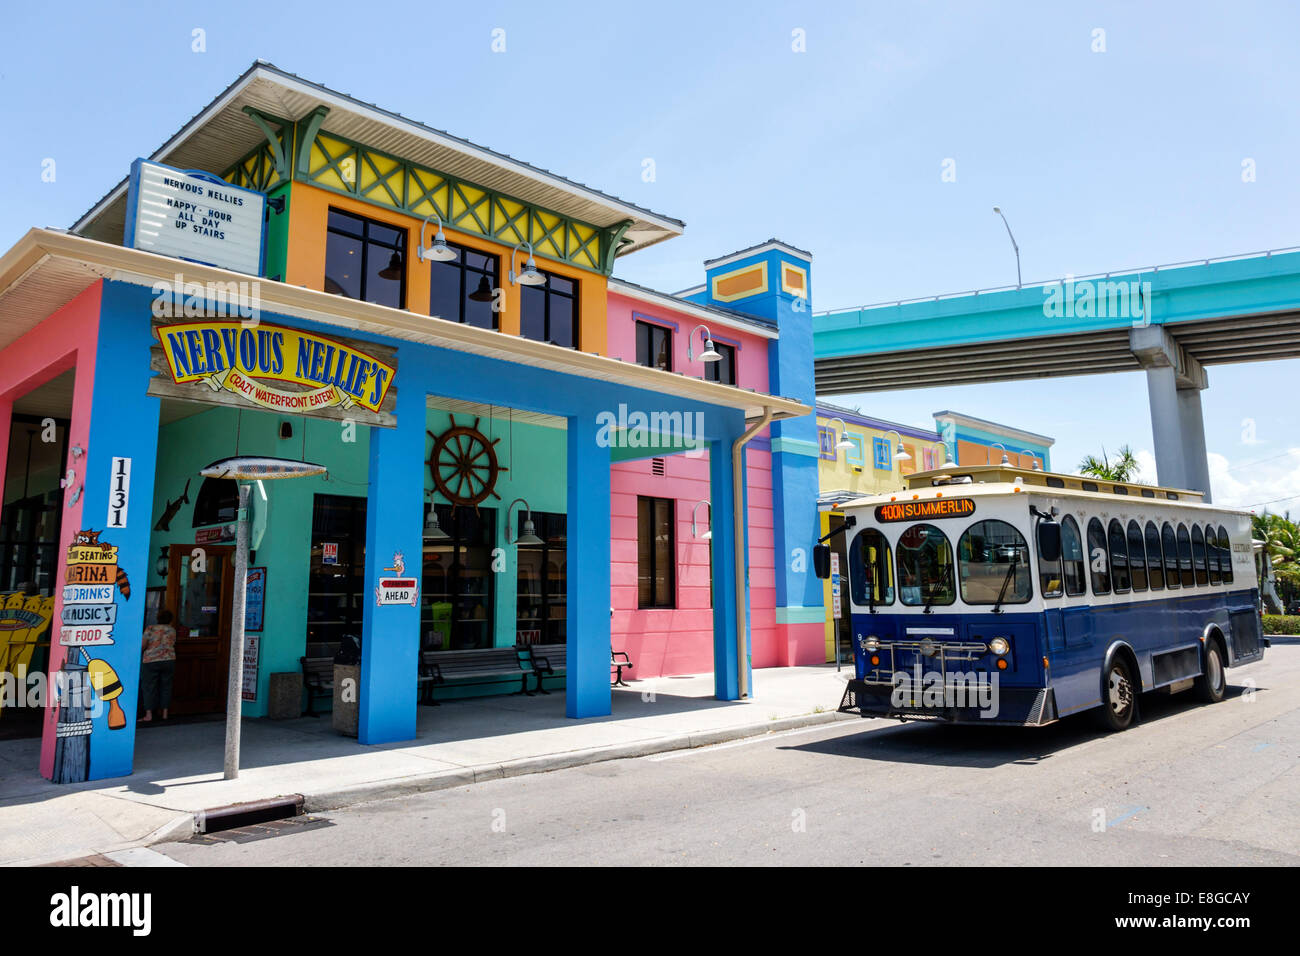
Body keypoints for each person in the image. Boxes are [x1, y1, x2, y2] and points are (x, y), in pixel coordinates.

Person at [140, 608, 177, 722]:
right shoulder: (172, 630)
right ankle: (165, 713)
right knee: (166, 686)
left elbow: (143, 645)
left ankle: (149, 714)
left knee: (149, 687)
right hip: (169, 659)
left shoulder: (150, 629)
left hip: (151, 660)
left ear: (158, 618)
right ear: (170, 620)